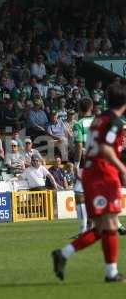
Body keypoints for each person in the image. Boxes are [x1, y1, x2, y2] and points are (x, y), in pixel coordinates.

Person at [52, 84, 126, 283]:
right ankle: (111, 274)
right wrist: (122, 168)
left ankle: (64, 254)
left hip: (93, 173)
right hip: (103, 174)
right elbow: (105, 148)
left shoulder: (99, 120)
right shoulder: (114, 122)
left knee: (104, 227)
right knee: (109, 224)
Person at [72, 98, 94, 235]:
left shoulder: (78, 124)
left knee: (79, 194)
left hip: (86, 163)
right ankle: (90, 228)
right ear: (91, 107)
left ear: (79, 109)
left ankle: (83, 229)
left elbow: (79, 145)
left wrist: (76, 164)